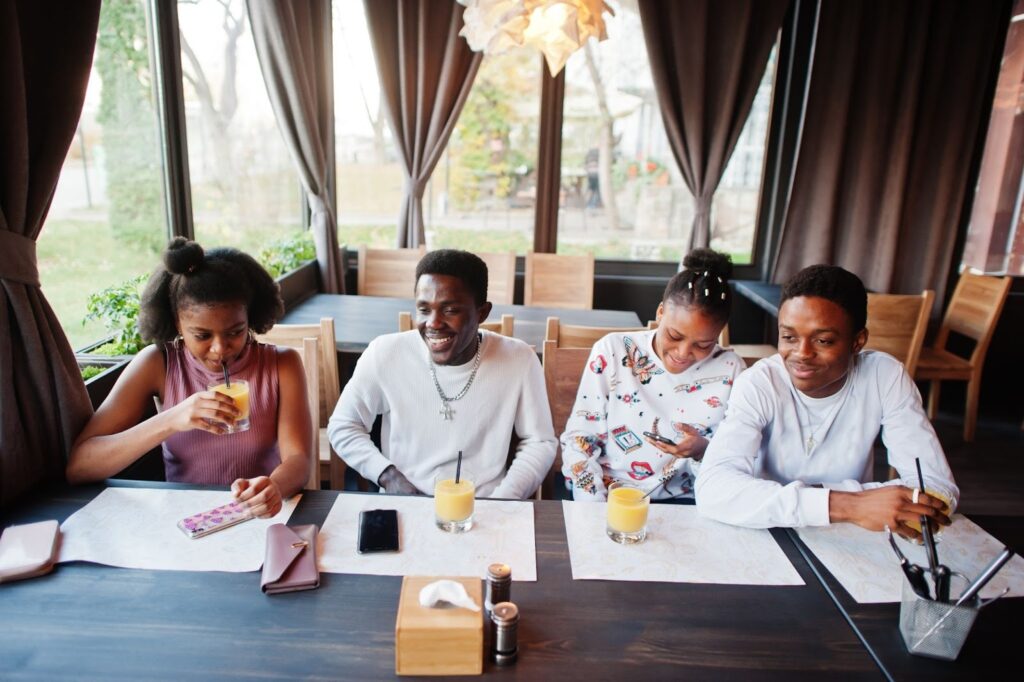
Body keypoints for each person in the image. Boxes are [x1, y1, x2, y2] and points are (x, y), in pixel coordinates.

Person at [695, 264, 958, 538]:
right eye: (788, 337)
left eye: (823, 341)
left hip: (849, 535)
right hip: (769, 532)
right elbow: (714, 490)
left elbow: (938, 490)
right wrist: (852, 504)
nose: (802, 353)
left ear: (858, 341)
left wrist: (840, 507)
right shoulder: (759, 383)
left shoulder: (885, 376)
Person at [67, 238, 312, 518]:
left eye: (235, 331)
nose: (220, 348)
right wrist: (173, 418)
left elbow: (298, 460)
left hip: (256, 518)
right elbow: (80, 466)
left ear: (250, 317)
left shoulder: (283, 364)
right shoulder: (156, 363)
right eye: (202, 335)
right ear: (177, 323)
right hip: (183, 521)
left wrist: (274, 488)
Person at [328, 249, 556, 499]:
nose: (433, 323)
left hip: (487, 504)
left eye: (450, 310)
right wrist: (387, 475)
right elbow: (343, 426)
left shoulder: (519, 359)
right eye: (424, 309)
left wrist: (503, 500)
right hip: (406, 501)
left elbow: (540, 442)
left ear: (482, 313)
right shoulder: (385, 353)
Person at [561, 249, 744, 502]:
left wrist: (702, 450)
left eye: (703, 345)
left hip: (686, 502)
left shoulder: (731, 370)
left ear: (720, 332)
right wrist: (594, 508)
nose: (683, 353)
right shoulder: (613, 351)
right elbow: (580, 440)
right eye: (674, 336)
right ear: (660, 312)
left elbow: (736, 458)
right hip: (608, 495)